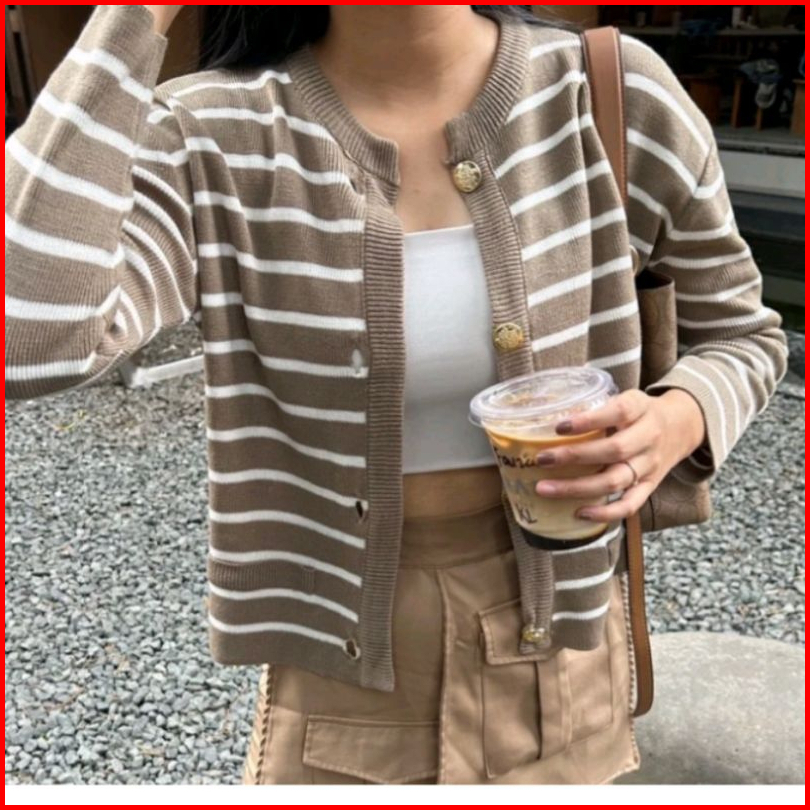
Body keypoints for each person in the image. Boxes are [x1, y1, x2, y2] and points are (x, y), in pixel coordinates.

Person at [5, 5, 788, 785]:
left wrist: (676, 419)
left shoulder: (608, 92)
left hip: (565, 663)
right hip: (344, 677)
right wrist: (132, 19)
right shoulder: (210, 133)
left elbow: (743, 335)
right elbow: (30, 339)